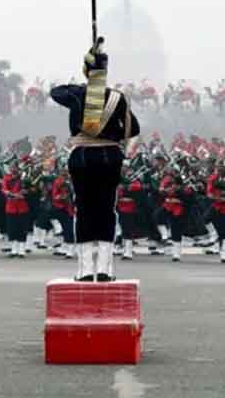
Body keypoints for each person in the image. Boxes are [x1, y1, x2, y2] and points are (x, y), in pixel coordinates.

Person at [50, 36, 141, 282]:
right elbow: (133, 130)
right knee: (106, 209)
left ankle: (85, 270)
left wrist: (88, 68)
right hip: (109, 157)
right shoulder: (117, 98)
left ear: (86, 70)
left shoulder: (77, 94)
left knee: (84, 208)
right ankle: (104, 268)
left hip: (82, 158)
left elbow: (55, 92)